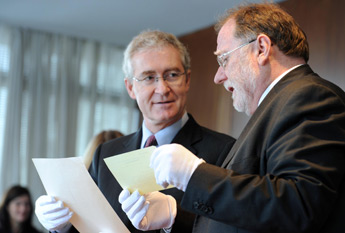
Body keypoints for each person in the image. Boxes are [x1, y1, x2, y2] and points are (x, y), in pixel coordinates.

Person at [119, 3, 345, 233]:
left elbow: (296, 208)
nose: (218, 76)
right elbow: (250, 217)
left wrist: (194, 175)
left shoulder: (310, 97)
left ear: (261, 49)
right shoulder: (282, 104)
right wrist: (174, 216)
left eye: (224, 59)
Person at [34, 30, 236, 233]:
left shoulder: (225, 150)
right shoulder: (106, 154)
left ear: (187, 80)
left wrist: (173, 218)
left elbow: (231, 226)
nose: (163, 88)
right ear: (130, 87)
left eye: (172, 75)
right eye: (149, 78)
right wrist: (62, 227)